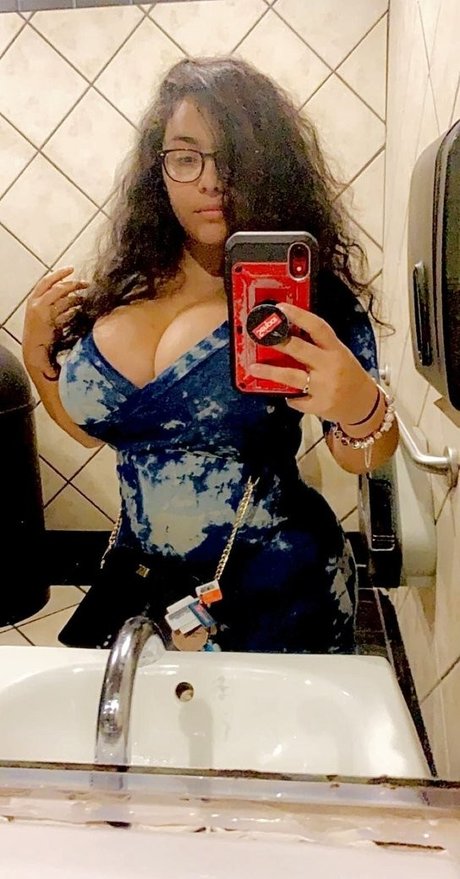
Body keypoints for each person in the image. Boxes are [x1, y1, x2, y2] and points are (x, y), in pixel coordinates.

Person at [22, 57, 398, 654]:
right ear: (160, 170)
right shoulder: (123, 288)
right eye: (186, 157)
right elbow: (97, 432)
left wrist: (359, 405)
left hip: (283, 592)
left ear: (269, 167)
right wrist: (37, 358)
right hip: (147, 591)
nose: (211, 181)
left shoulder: (304, 300)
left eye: (233, 158)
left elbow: (364, 456)